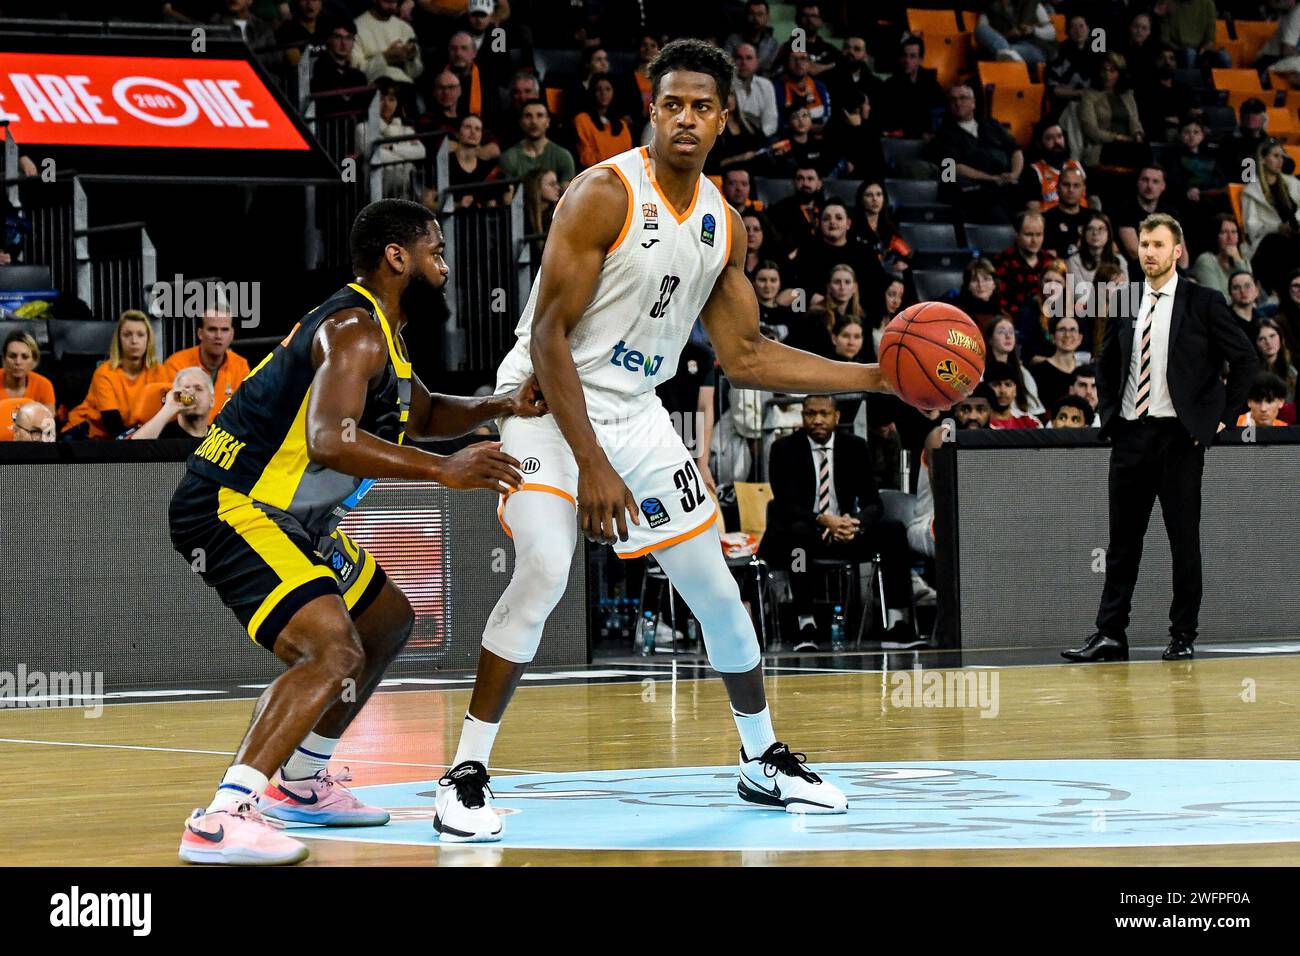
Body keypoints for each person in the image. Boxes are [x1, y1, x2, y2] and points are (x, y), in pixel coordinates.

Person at [440, 40, 904, 840]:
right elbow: (549, 336)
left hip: (636, 411)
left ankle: (761, 761)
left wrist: (876, 377)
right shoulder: (601, 194)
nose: (685, 119)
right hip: (549, 403)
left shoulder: (724, 224)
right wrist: (592, 465)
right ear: (650, 110)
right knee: (547, 567)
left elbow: (747, 356)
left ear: (725, 118)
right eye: (670, 104)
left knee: (719, 591)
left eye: (701, 107)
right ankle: (465, 772)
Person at [171, 199, 549, 865]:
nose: (447, 267)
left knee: (386, 620)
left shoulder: (385, 336)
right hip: (237, 502)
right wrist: (445, 471)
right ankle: (223, 817)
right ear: (397, 257)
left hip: (298, 517)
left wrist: (499, 405)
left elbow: (423, 412)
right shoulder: (353, 330)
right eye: (435, 252)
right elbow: (329, 440)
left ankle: (303, 785)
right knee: (332, 651)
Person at [1063, 214, 1256, 665]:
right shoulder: (1126, 300)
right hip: (1131, 435)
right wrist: (1110, 414)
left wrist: (1222, 420)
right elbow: (1106, 361)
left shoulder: (1204, 301)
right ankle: (1110, 634)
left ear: (1177, 251)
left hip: (1179, 438)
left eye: (1157, 244)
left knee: (1182, 542)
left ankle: (1183, 634)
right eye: (1144, 243)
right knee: (1122, 544)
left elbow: (1245, 361)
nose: (1148, 251)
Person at [761, 395, 921, 652]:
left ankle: (897, 623)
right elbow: (783, 504)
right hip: (808, 534)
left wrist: (855, 522)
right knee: (796, 540)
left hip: (847, 533)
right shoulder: (784, 449)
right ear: (803, 417)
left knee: (893, 531)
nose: (817, 420)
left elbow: (873, 502)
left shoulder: (855, 446)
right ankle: (806, 624)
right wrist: (821, 519)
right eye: (811, 414)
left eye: (824, 414)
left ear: (837, 417)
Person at [64, 311, 170, 440]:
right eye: (127, 335)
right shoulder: (105, 372)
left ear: (149, 340)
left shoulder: (160, 371)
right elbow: (114, 426)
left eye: (141, 335)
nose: (134, 340)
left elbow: (165, 417)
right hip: (86, 434)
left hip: (131, 436)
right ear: (119, 339)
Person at [926, 83, 1024, 223]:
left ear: (973, 103)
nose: (958, 103)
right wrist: (992, 179)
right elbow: (954, 167)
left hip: (1008, 183)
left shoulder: (991, 124)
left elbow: (1016, 150)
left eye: (963, 98)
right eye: (953, 100)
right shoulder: (944, 134)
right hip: (978, 191)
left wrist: (1014, 174)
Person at [163, 309, 251, 425]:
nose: (218, 336)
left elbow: (246, 410)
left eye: (224, 330)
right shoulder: (176, 364)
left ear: (232, 334)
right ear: (200, 333)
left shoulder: (240, 365)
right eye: (212, 329)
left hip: (223, 436)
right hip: (185, 436)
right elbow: (170, 411)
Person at [1242, 139, 1300, 297]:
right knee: (1279, 242)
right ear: (1262, 159)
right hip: (1267, 240)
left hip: (1293, 234)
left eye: (1282, 156)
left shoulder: (1292, 183)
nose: (1280, 160)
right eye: (1275, 156)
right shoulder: (1252, 191)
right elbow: (1251, 226)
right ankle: (1283, 292)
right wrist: (1278, 227)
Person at [1078, 53, 1146, 169]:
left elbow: (1135, 120)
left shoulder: (1127, 95)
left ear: (1120, 74)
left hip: (1129, 144)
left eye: (1112, 71)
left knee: (1145, 151)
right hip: (1104, 146)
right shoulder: (1089, 96)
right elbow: (1090, 130)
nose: (1107, 75)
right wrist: (1116, 137)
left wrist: (1137, 133)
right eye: (1104, 70)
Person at [363, 79, 426, 201]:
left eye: (391, 100)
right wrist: (406, 157)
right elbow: (378, 156)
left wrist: (392, 148)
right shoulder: (363, 128)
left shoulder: (406, 129)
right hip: (375, 193)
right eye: (381, 99)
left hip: (404, 195)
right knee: (407, 167)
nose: (386, 105)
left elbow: (420, 152)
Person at [1114, 165, 1185, 271]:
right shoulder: (1125, 211)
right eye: (1145, 180)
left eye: (1155, 182)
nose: (1149, 186)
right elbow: (1135, 252)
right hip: (1136, 273)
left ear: (1163, 186)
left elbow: (1181, 251)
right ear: (1137, 183)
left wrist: (1184, 275)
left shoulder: (1171, 213)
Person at [878, 35, 945, 140]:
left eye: (912, 56)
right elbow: (889, 121)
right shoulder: (889, 86)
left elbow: (939, 116)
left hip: (928, 139)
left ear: (920, 59)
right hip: (902, 139)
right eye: (904, 55)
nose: (907, 61)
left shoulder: (932, 85)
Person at [498, 102, 577, 192]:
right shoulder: (508, 157)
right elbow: (508, 197)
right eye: (528, 116)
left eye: (539, 115)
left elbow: (567, 196)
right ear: (520, 122)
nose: (534, 121)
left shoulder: (563, 156)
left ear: (548, 122)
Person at [995, 210, 1054, 319]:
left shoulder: (1051, 262)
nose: (1034, 240)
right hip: (1015, 323)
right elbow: (1000, 303)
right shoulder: (1002, 262)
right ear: (1017, 234)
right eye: (1029, 234)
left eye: (1039, 234)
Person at [129, 366, 214, 440]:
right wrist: (169, 408)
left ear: (212, 400)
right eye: (185, 389)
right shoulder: (160, 433)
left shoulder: (219, 438)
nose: (191, 393)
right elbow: (132, 452)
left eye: (198, 389)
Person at [984, 314, 1045, 415]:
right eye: (1001, 332)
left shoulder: (1023, 373)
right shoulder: (980, 371)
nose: (1008, 336)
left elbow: (1034, 409)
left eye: (1011, 332)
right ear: (990, 339)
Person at [309, 19, 371, 118]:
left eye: (348, 38)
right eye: (338, 37)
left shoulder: (358, 76)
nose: (344, 43)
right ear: (329, 39)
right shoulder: (319, 72)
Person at [353, 0, 423, 87]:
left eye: (394, 2)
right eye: (388, 1)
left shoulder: (405, 27)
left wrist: (411, 59)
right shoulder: (357, 27)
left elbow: (416, 73)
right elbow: (356, 74)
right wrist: (385, 58)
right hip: (374, 87)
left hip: (405, 86)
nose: (392, 6)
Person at [1022, 122, 1089, 211]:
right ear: (1039, 143)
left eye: (1059, 136)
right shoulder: (1033, 172)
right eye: (1049, 138)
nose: (1057, 142)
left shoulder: (1079, 166)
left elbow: (1093, 199)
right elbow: (1034, 211)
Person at [1029, 313, 1086, 410]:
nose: (1067, 335)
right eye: (1062, 330)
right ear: (1053, 337)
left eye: (1073, 330)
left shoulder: (1086, 372)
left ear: (1080, 338)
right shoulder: (1038, 372)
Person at [852, 179, 910, 274]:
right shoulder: (853, 227)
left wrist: (901, 261)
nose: (875, 199)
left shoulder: (889, 229)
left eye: (879, 194)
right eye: (869, 195)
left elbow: (906, 253)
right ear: (861, 200)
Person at [974, 0, 1056, 66]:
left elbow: (1052, 33)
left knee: (995, 55)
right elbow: (983, 33)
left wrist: (1033, 30)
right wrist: (1007, 36)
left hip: (1034, 46)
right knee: (980, 29)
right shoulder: (989, 10)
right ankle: (1007, 54)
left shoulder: (1032, 3)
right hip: (1009, 45)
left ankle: (1006, 54)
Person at [574, 77, 633, 169]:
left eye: (608, 89)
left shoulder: (622, 124)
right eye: (598, 89)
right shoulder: (582, 120)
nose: (603, 93)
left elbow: (628, 156)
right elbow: (585, 156)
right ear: (592, 93)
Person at [766, 164, 825, 253]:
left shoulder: (828, 208)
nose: (805, 183)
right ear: (794, 182)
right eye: (800, 178)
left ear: (819, 184)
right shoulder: (780, 210)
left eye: (810, 179)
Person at [1157, 0, 1230, 70]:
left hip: (1201, 51)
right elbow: (1165, 38)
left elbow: (1210, 37)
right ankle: (1190, 81)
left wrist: (1204, 49)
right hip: (1176, 50)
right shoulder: (1168, 3)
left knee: (1224, 58)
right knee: (1190, 54)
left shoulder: (1208, 4)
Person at [1192, 215, 1250, 301]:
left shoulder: (1241, 260)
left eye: (1234, 232)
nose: (1230, 237)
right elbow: (1216, 299)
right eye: (1224, 232)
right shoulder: (1206, 261)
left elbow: (1250, 290)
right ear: (1215, 236)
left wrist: (1238, 260)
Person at [1046, 13, 1099, 103]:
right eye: (1073, 27)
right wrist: (1080, 93)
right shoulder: (1059, 54)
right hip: (1068, 104)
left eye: (1081, 26)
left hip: (1094, 102)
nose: (1078, 31)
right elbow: (1054, 90)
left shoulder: (1096, 54)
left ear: (1088, 29)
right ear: (1068, 31)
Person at [731, 43, 779, 139]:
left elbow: (771, 123)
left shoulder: (766, 85)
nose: (744, 63)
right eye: (739, 58)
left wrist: (757, 140)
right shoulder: (725, 86)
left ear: (757, 62)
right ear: (732, 61)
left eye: (749, 58)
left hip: (760, 138)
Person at [1067, 212, 1127, 287]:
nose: (1095, 233)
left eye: (1101, 229)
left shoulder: (1120, 261)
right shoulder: (1074, 261)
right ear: (1084, 234)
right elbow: (1081, 296)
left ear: (1109, 234)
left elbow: (1125, 293)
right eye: (1090, 228)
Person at [1041, 166, 1090, 258]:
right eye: (1066, 185)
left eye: (1076, 185)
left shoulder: (1093, 218)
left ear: (1083, 189)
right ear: (1057, 187)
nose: (1071, 190)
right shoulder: (1045, 220)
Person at [778, 50, 832, 132]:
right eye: (794, 59)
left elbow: (827, 115)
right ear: (787, 64)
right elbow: (779, 122)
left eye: (803, 59)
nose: (799, 63)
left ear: (809, 64)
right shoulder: (777, 88)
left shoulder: (819, 86)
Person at [2, 330, 55, 413]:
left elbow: (48, 423)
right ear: (4, 359)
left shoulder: (44, 386)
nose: (18, 362)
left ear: (34, 361)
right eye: (12, 356)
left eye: (25, 357)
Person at [725, 0, 781, 76]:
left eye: (760, 14)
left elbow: (773, 70)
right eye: (752, 14)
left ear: (767, 17)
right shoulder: (733, 40)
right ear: (746, 15)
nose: (755, 18)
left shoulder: (773, 44)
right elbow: (727, 65)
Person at [985, 360, 1043, 428]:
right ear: (986, 388)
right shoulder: (979, 423)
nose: (1003, 391)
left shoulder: (1030, 422)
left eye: (1008, 385)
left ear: (1015, 390)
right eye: (996, 385)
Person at [951, 258, 1000, 335]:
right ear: (968, 285)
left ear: (994, 284)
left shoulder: (1003, 316)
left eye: (986, 279)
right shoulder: (957, 313)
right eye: (974, 280)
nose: (980, 285)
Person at [1256, 318, 1297, 402]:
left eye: (1272, 336)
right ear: (1256, 343)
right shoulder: (1253, 373)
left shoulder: (1292, 368)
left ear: (1280, 337)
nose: (1268, 342)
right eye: (1262, 339)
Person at [1227, 269, 1265, 344]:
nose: (1242, 291)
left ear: (1256, 291)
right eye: (1236, 287)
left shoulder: (1262, 318)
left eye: (1247, 286)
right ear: (1230, 294)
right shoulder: (1224, 319)